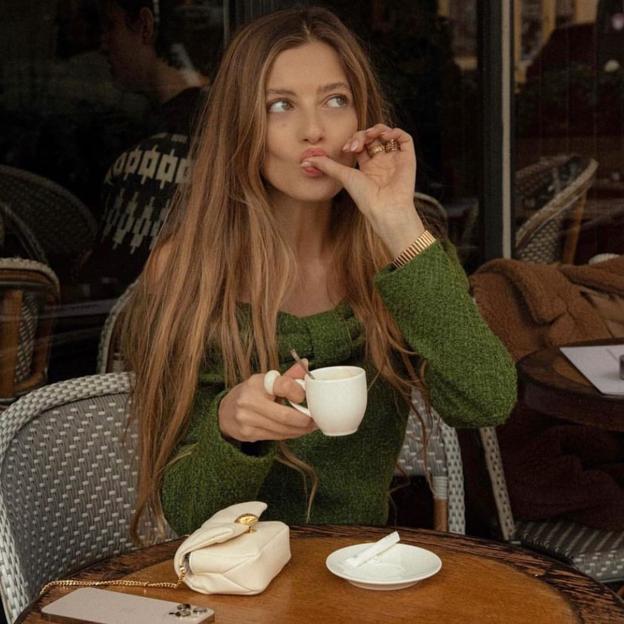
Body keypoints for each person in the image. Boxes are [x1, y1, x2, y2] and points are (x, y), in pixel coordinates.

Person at [122, 6, 517, 540]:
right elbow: (185, 513)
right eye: (280, 106)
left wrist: (398, 224)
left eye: (335, 101)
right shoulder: (189, 269)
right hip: (240, 593)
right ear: (243, 125)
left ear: (361, 119)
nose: (314, 130)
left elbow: (486, 398)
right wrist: (231, 429)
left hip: (359, 575)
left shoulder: (397, 254)